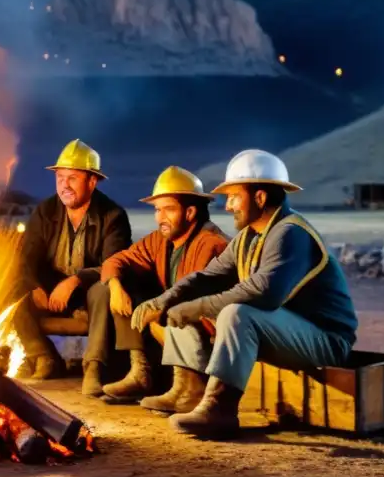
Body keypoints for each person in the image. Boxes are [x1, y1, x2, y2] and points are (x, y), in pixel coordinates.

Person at [131, 149, 359, 439]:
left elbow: (263, 293)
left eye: (234, 196)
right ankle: (192, 391)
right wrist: (163, 301)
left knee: (237, 312)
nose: (228, 206)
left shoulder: (290, 233)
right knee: (213, 307)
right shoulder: (249, 237)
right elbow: (206, 277)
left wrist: (195, 308)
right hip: (290, 331)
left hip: (326, 340)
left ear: (260, 198)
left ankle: (219, 409)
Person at [98, 166, 229, 408]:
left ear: (190, 212)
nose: (160, 218)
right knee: (124, 279)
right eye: (157, 210)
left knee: (179, 310)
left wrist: (159, 310)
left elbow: (193, 296)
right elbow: (117, 260)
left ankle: (188, 387)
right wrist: (116, 286)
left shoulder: (212, 244)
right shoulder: (160, 240)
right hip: (172, 325)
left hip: (207, 333)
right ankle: (142, 373)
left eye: (168, 209)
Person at [14, 139, 132, 393]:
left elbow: (113, 264)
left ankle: (94, 367)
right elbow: (26, 258)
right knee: (14, 289)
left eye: (73, 178)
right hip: (50, 292)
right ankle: (43, 357)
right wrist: (35, 287)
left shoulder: (113, 216)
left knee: (103, 290)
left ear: (92, 181)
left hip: (88, 293)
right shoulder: (45, 211)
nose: (64, 185)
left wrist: (75, 280)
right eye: (60, 178)